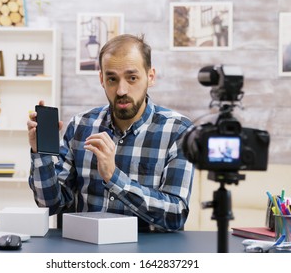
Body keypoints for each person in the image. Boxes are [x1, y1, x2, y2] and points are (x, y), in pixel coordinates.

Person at [27, 34, 194, 232]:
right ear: (101, 79)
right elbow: (50, 204)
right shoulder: (80, 126)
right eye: (112, 79)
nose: (122, 90)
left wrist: (114, 177)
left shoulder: (179, 131)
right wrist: (41, 154)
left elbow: (176, 215)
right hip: (85, 251)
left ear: (150, 77)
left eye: (132, 78)